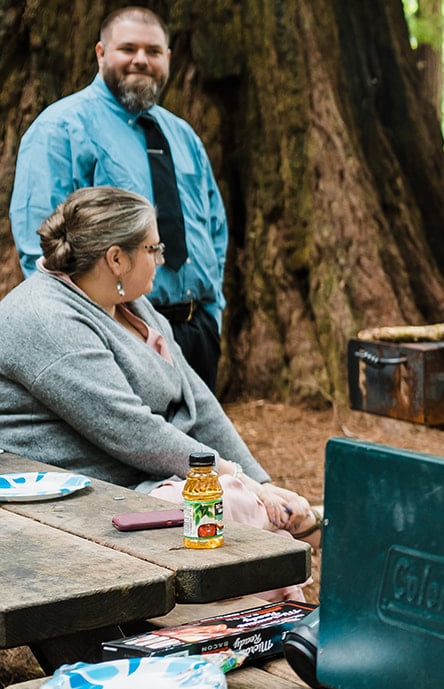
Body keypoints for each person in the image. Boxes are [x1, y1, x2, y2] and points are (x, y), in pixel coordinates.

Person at [0, 188, 319, 600]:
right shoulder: (45, 319)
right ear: (116, 259)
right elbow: (129, 430)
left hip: (134, 480)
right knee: (223, 506)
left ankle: (268, 631)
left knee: (240, 500)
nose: (162, 259)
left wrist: (261, 480)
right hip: (68, 502)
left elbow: (196, 399)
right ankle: (236, 634)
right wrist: (233, 477)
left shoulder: (128, 301)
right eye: (153, 248)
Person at [10, 6, 230, 391]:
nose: (141, 60)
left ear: (167, 59)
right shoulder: (60, 129)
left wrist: (212, 315)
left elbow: (214, 230)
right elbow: (40, 249)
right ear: (100, 53)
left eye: (153, 51)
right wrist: (93, 334)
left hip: (198, 335)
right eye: (127, 49)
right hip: (117, 336)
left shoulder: (184, 137)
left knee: (200, 452)